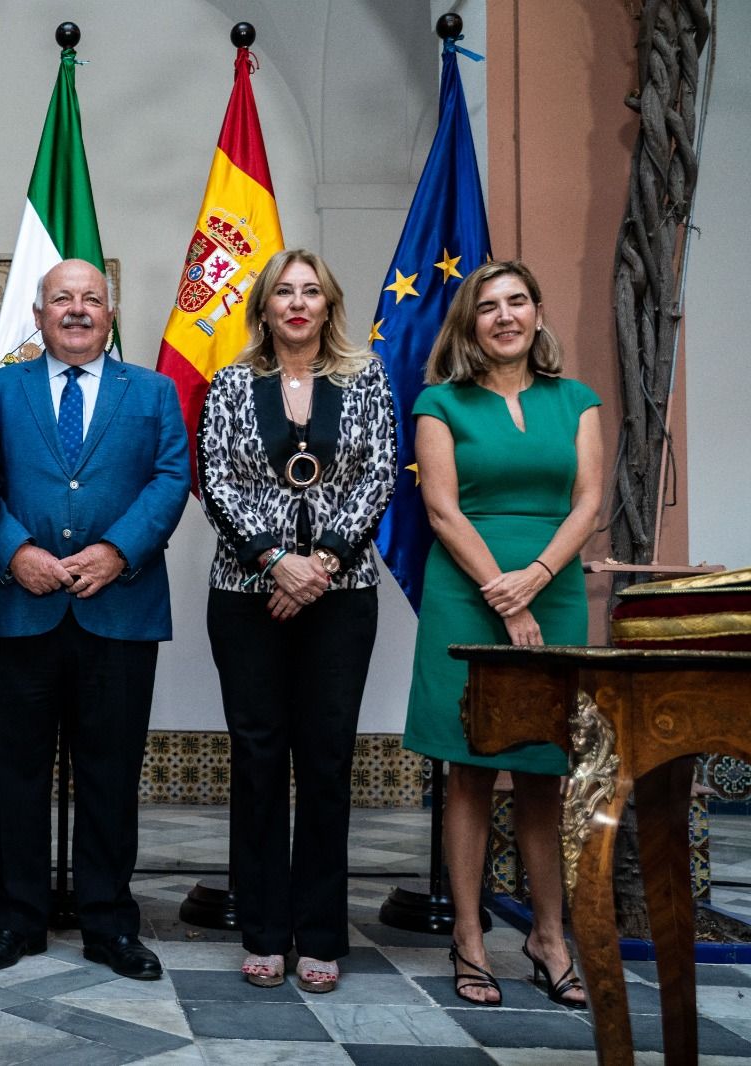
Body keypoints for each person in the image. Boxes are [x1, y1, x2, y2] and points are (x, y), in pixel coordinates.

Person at [0, 260, 187, 980]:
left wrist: (117, 552)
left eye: (92, 298)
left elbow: (170, 478)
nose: (77, 309)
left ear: (111, 314)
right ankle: (17, 919)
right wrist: (13, 551)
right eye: (61, 298)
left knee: (109, 774)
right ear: (38, 315)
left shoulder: (152, 393)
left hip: (118, 609)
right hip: (19, 605)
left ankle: (108, 921)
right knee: (17, 774)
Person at [198, 249, 396, 994]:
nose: (298, 302)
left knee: (325, 762)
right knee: (256, 761)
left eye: (312, 290)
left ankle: (318, 933)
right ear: (265, 307)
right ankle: (262, 930)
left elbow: (378, 473)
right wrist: (276, 561)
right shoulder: (229, 384)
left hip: (342, 596)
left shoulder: (366, 379)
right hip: (246, 593)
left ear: (329, 304)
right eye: (285, 291)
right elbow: (214, 479)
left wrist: (324, 566)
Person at [403, 260, 600, 1008]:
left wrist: (537, 580)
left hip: (556, 593)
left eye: (518, 301)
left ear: (539, 314)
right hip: (466, 595)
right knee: (471, 770)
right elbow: (443, 510)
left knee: (546, 769)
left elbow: (587, 502)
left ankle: (550, 936)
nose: (505, 316)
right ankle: (469, 935)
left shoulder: (578, 401)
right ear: (470, 324)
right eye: (488, 306)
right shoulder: (439, 402)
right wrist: (504, 596)